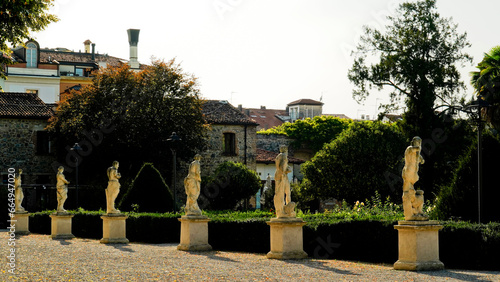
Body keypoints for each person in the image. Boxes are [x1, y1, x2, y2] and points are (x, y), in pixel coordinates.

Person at [402, 137, 427, 220]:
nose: (419, 144)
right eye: (417, 142)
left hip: (413, 174)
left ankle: (419, 211)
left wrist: (421, 159)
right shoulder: (409, 149)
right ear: (413, 142)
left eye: (420, 142)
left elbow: (421, 159)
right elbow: (415, 149)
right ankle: (411, 213)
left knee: (418, 193)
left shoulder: (417, 153)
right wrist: (419, 148)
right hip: (409, 171)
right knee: (407, 189)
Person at [274, 145, 295, 218]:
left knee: (281, 193)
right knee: (285, 192)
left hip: (279, 175)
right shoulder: (283, 156)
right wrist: (284, 171)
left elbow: (282, 165)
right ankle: (286, 210)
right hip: (282, 176)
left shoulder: (278, 156)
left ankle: (283, 209)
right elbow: (282, 165)